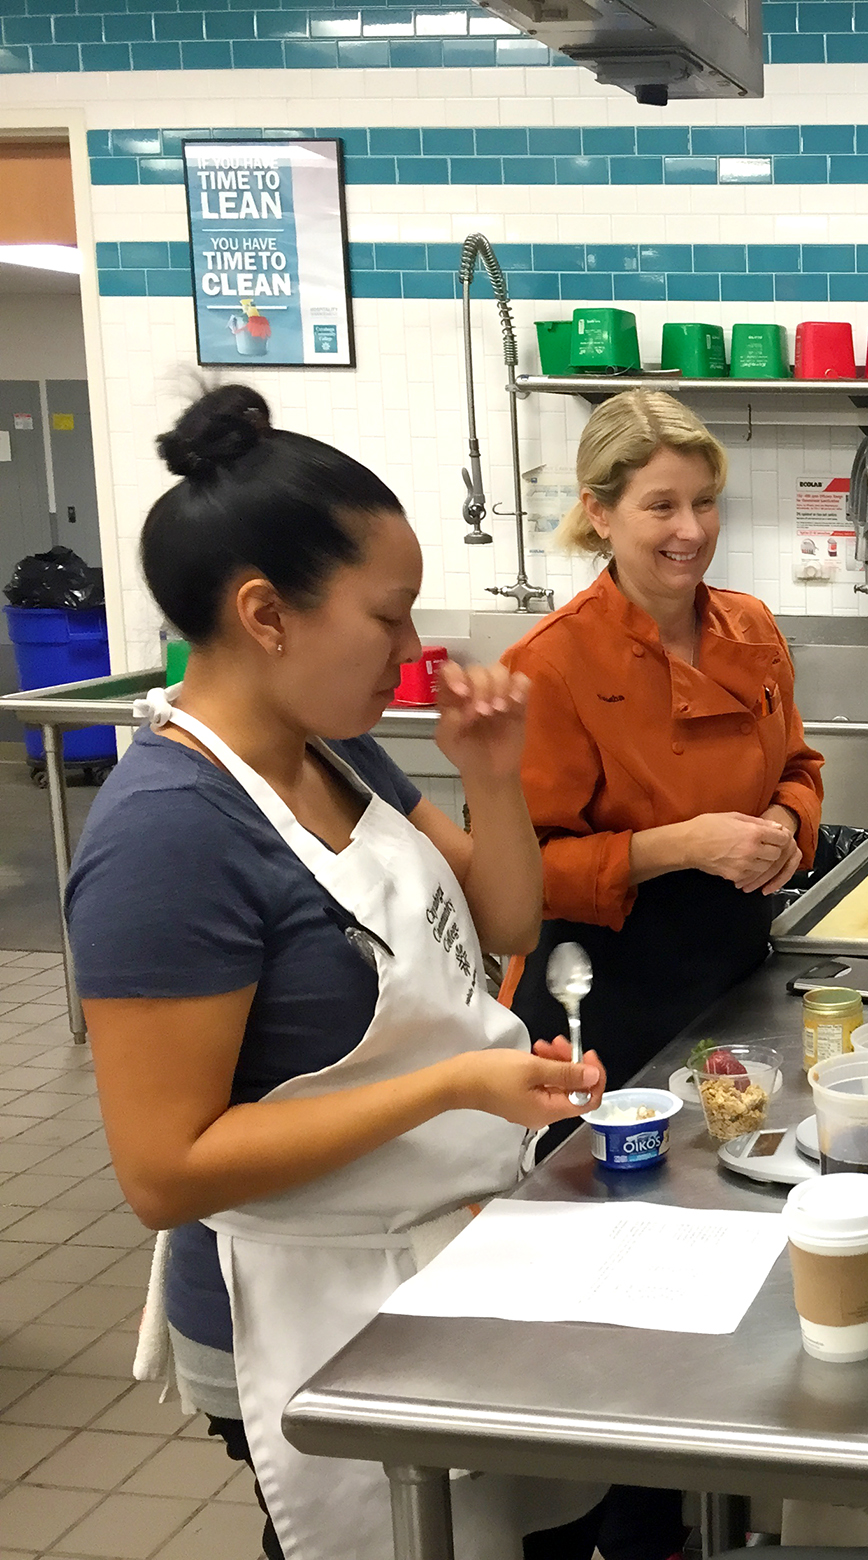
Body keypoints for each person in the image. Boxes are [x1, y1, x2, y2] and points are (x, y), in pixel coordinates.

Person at [68, 386, 608, 1560]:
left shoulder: (337, 749)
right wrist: (453, 1086)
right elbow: (166, 1174)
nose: (413, 651)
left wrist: (495, 774)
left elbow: (507, 911)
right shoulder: (170, 831)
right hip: (304, 1304)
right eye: (389, 615)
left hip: (433, 1252)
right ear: (265, 613)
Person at [503, 390, 824, 1105]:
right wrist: (685, 846)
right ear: (599, 511)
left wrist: (781, 826)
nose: (691, 528)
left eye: (705, 502)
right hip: (597, 999)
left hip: (734, 977)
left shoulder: (753, 627)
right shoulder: (550, 664)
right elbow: (519, 877)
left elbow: (799, 769)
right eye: (661, 506)